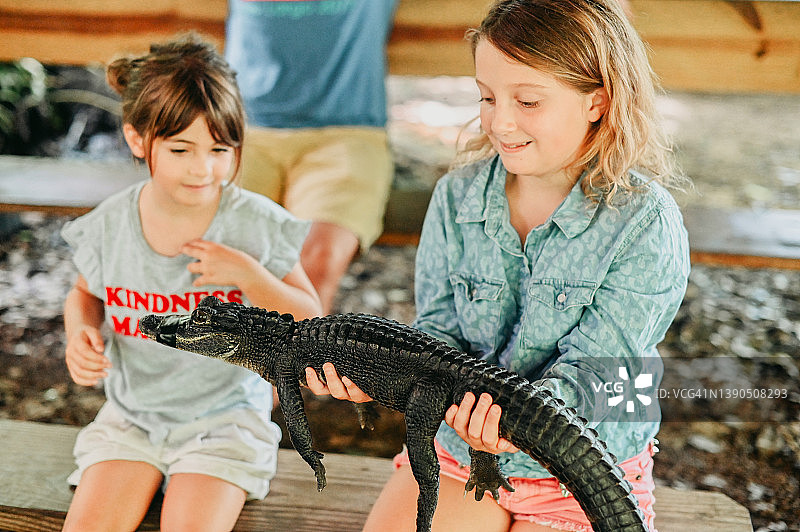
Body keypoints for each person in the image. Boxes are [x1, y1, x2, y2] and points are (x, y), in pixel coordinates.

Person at [305, 1, 691, 530]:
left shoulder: (644, 221)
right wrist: (378, 375)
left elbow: (599, 374)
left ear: (597, 102)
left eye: (528, 101)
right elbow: (437, 336)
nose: (500, 121)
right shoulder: (456, 196)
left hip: (584, 467)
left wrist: (509, 421)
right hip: (460, 451)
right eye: (487, 97)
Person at [60, 34, 322, 532]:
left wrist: (250, 275)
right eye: (181, 149)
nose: (203, 168)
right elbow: (84, 294)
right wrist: (80, 335)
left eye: (219, 149)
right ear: (138, 139)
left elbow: (310, 319)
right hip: (132, 418)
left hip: (224, 422)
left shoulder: (254, 225)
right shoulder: (111, 224)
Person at [224, 0, 399, 314]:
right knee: (214, 257)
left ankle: (296, 362)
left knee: (316, 262)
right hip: (243, 129)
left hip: (346, 132)